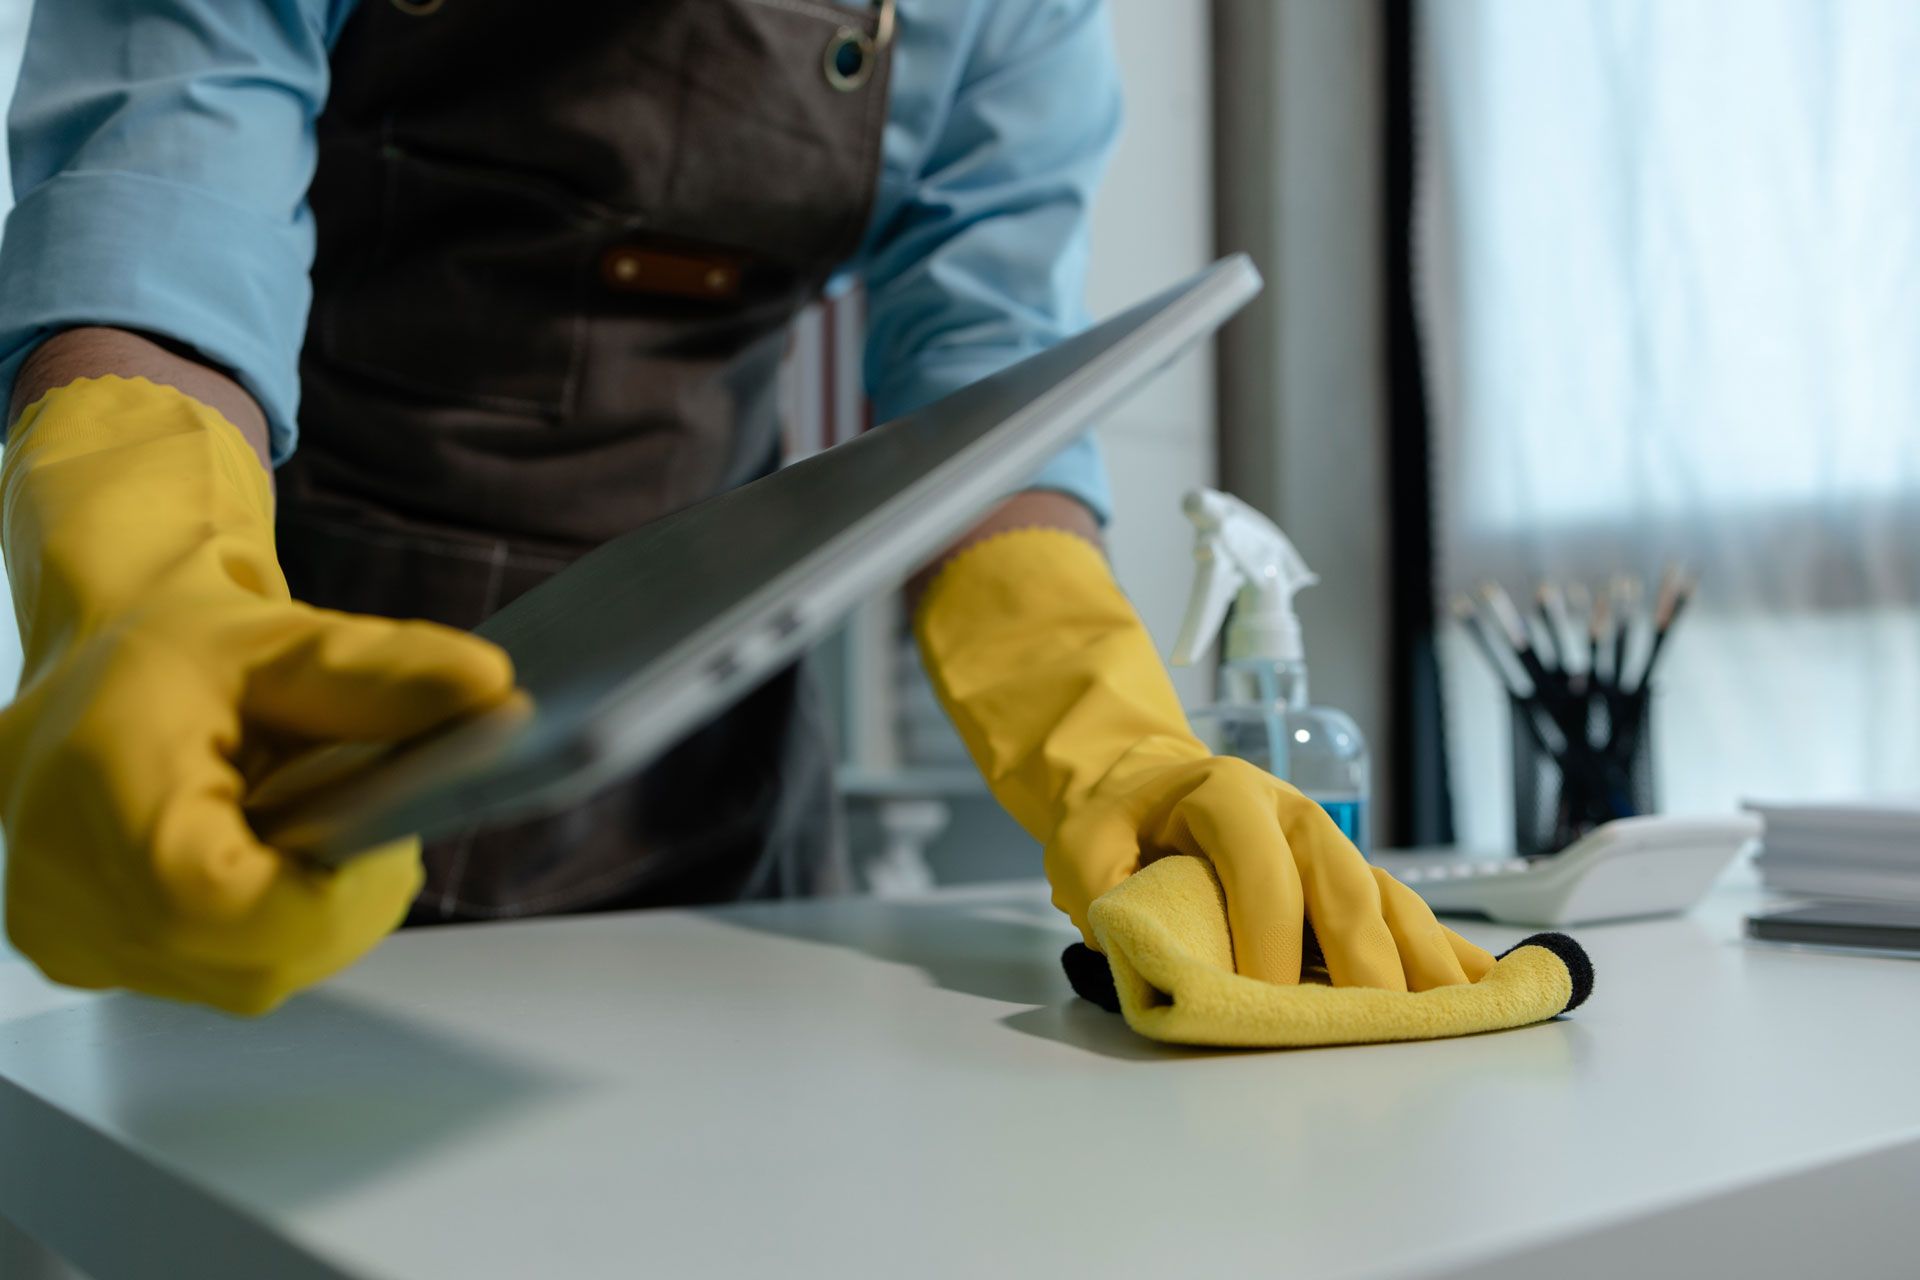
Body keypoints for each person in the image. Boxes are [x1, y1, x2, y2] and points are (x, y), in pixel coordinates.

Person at [0, 0, 1493, 1014]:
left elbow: (984, 396)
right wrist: (144, 592)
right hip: (287, 768)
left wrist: (1116, 741)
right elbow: (163, 201)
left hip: (714, 808)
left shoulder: (1005, 19)